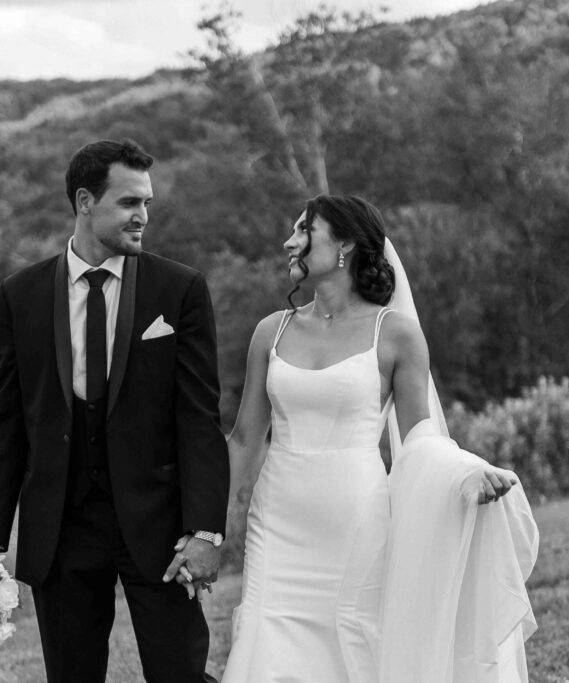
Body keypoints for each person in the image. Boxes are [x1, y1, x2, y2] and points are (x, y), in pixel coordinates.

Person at [221, 195, 537, 682]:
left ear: (345, 243)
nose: (289, 242)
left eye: (304, 230)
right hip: (277, 523)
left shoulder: (397, 335)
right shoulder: (271, 332)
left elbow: (421, 439)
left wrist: (465, 475)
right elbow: (244, 440)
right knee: (264, 647)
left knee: (354, 648)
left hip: (355, 524)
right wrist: (207, 530)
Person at [0, 139, 229, 682]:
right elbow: (9, 423)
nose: (143, 217)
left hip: (160, 531)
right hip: (60, 529)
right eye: (129, 203)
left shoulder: (179, 290)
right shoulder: (22, 295)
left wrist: (205, 531)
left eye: (147, 204)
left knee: (179, 674)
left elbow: (198, 419)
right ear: (85, 201)